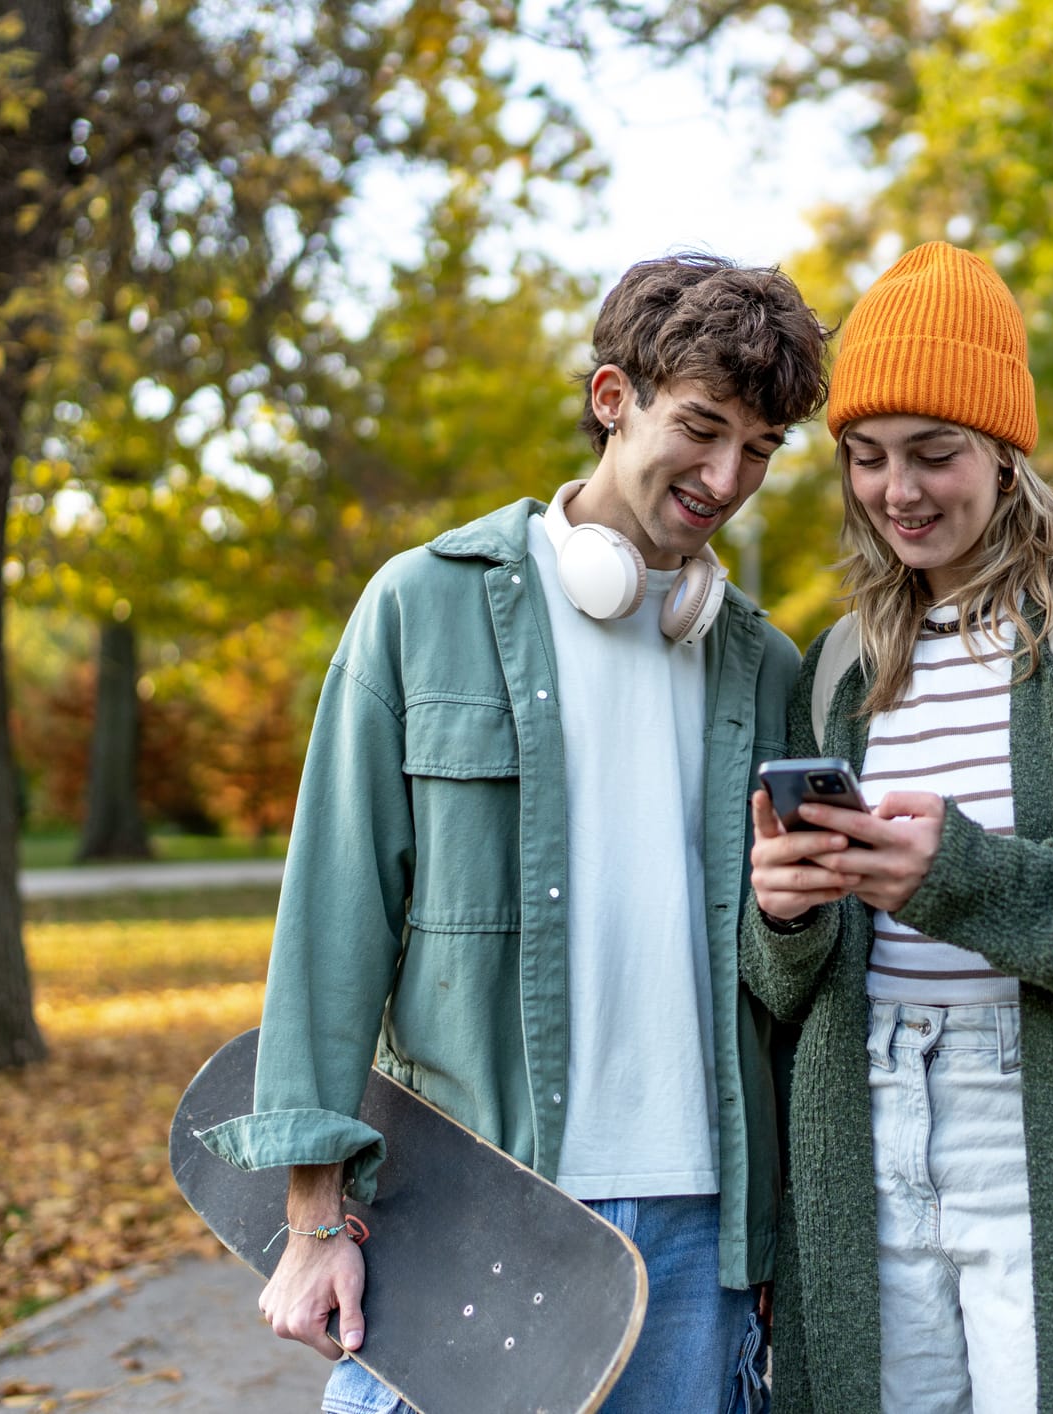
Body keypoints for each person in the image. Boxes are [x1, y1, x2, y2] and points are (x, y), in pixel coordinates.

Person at [199, 253, 830, 1414]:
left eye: (760, 450)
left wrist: (785, 1240)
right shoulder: (420, 608)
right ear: (611, 398)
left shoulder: (766, 664)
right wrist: (310, 1215)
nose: (728, 475)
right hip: (473, 1212)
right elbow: (333, 920)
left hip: (701, 1235)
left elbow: (787, 986)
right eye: (701, 427)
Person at [742, 241, 1053, 1412]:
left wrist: (960, 875)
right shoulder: (838, 666)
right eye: (866, 459)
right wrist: (782, 910)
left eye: (936, 454)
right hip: (864, 1130)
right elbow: (788, 985)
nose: (899, 491)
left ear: (1007, 452)